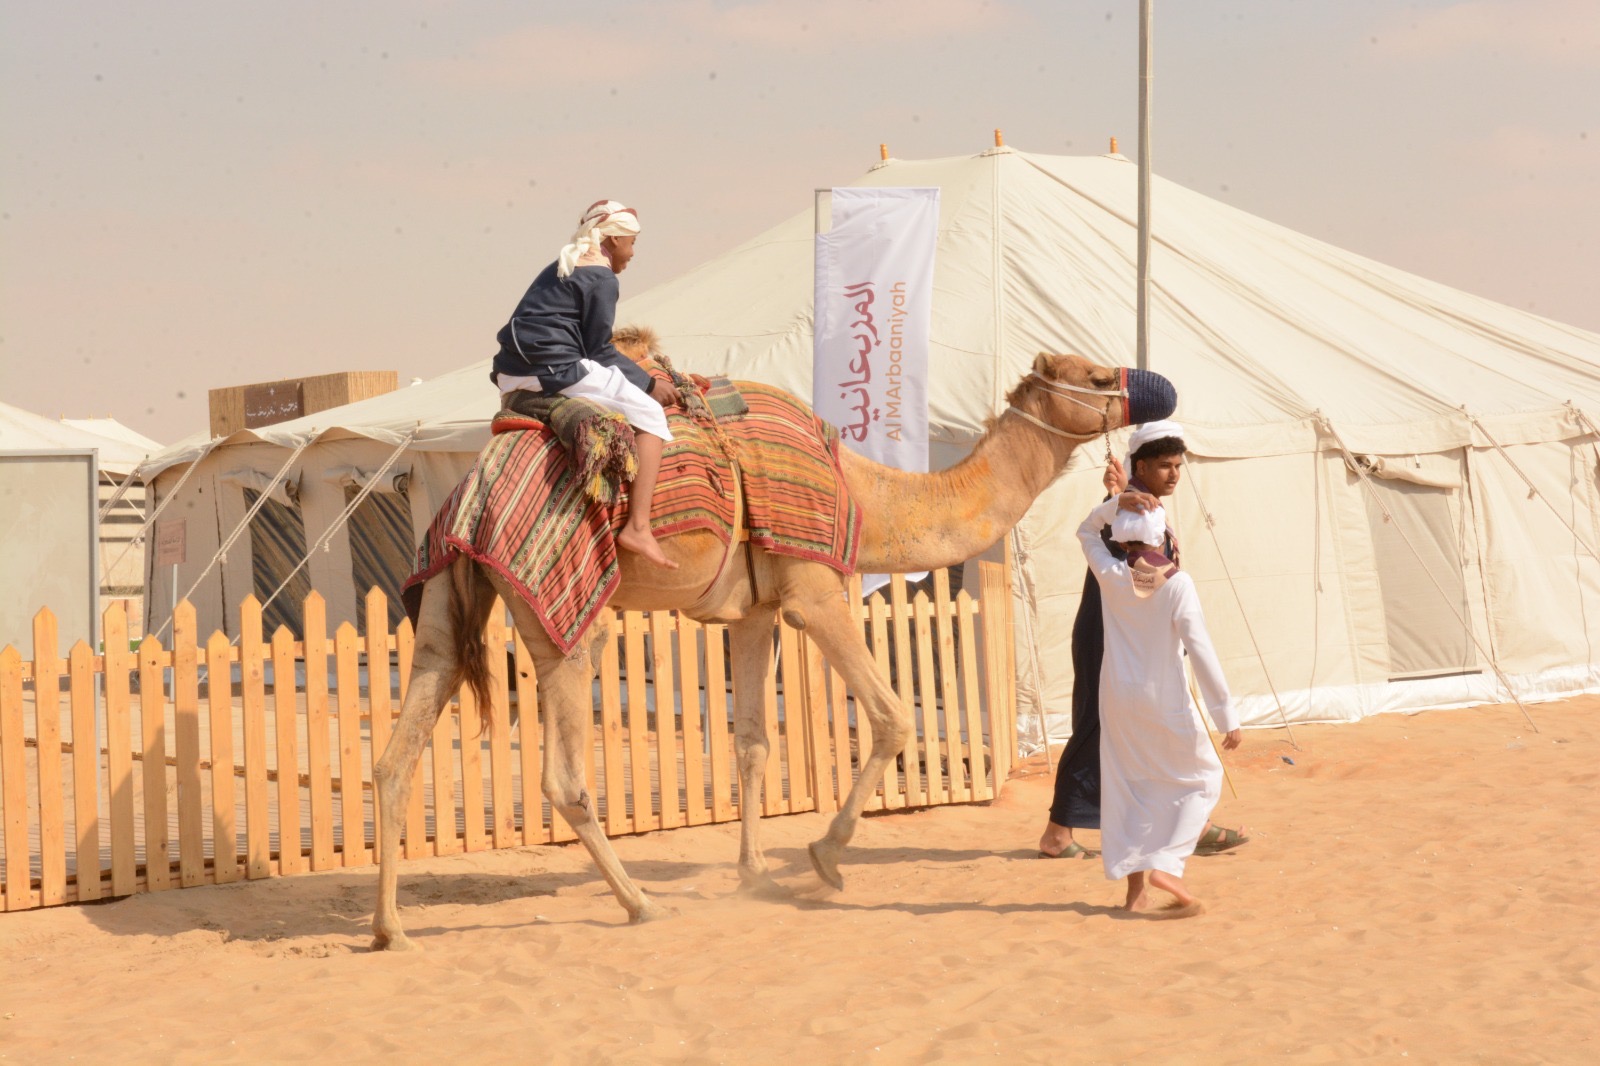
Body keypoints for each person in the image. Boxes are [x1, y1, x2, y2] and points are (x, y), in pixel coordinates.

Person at [1038, 421, 1249, 858]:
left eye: (1178, 466)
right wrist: (1116, 500)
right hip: (1114, 643)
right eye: (1165, 466)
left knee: (1128, 736)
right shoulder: (1132, 512)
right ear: (1141, 466)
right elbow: (1136, 574)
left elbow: (1094, 537)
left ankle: (1184, 825)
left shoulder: (1132, 505)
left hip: (1132, 645)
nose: (1174, 474)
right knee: (1106, 732)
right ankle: (1063, 832)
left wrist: (1115, 496)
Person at [491, 199, 681, 570]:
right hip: (556, 368)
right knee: (651, 415)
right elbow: (599, 350)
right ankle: (639, 527)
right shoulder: (601, 277)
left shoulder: (563, 265)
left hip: (512, 374)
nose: (633, 253)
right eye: (631, 243)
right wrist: (649, 385)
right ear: (613, 239)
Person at [1078, 498, 1242, 917]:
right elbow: (1200, 649)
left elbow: (1085, 530)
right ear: (1163, 539)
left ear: (1121, 541)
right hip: (1163, 698)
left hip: (1117, 699)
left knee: (1130, 788)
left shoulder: (1111, 573)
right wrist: (1226, 714)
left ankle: (1135, 894)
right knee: (1202, 779)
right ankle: (1168, 866)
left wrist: (1116, 503)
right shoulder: (1176, 583)